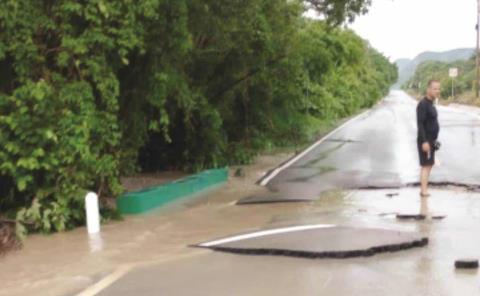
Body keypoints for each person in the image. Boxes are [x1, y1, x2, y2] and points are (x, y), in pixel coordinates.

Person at [416, 80, 441, 197]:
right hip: (426, 140)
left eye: (438, 89)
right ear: (428, 89)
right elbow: (420, 124)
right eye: (435, 89)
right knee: (426, 165)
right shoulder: (423, 104)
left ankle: (424, 189)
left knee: (429, 164)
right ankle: (423, 191)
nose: (437, 91)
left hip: (432, 140)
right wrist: (424, 141)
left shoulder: (431, 104)